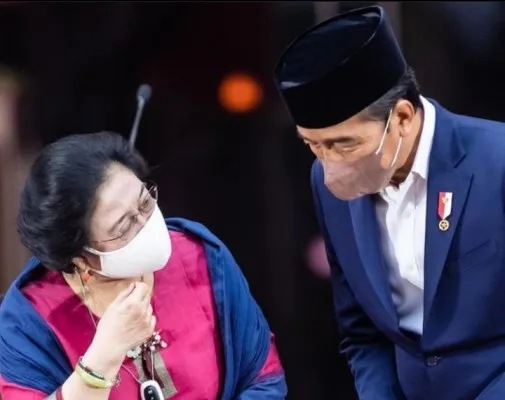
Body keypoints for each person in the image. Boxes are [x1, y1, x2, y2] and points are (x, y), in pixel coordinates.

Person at [274, 5, 505, 400]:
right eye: (313, 145)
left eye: (344, 144)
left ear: (401, 116)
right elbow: (362, 332)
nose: (329, 165)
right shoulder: (324, 182)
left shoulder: (495, 161)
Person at [0, 131, 287, 400]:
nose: (146, 224)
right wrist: (104, 355)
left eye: (145, 201)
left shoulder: (200, 256)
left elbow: (263, 377)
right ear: (79, 255)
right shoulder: (28, 322)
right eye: (124, 225)